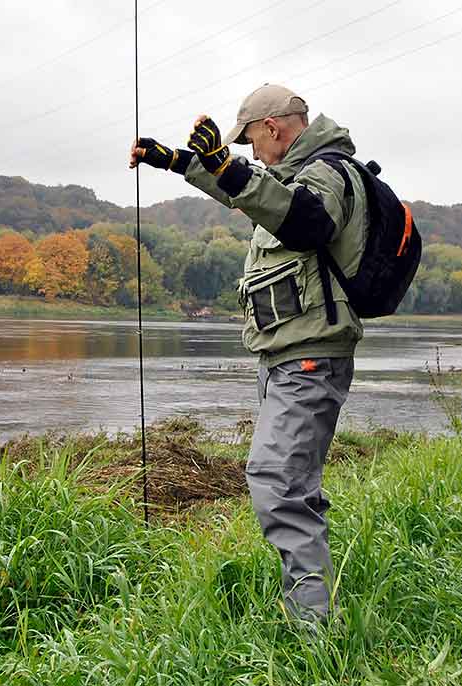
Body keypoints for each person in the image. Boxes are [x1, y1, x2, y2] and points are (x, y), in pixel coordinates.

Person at [130, 84, 368, 625]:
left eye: (250, 141)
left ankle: (314, 636)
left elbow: (303, 219)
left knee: (276, 483)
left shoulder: (328, 173)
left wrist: (227, 166)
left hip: (309, 357)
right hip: (287, 357)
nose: (250, 151)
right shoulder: (290, 176)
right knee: (294, 487)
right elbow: (252, 193)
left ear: (274, 128)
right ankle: (313, 612)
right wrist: (177, 163)